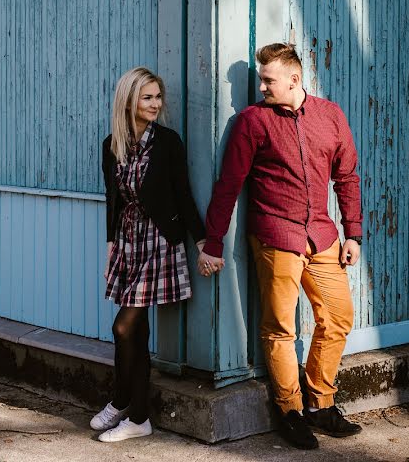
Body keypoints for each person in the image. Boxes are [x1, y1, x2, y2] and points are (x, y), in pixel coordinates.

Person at [198, 42, 364, 450]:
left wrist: (354, 233)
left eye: (269, 80)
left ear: (294, 79)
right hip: (276, 236)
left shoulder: (331, 116)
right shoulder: (252, 122)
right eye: (260, 79)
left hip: (323, 234)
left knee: (339, 316)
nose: (262, 87)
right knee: (280, 329)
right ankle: (290, 411)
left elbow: (347, 177)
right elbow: (229, 185)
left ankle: (321, 403)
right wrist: (213, 242)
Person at [91, 67, 207, 442]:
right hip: (128, 241)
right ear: (129, 101)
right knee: (134, 332)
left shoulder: (168, 142)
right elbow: (113, 199)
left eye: (158, 97)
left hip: (158, 241)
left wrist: (204, 241)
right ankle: (130, 407)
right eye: (148, 97)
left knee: (122, 326)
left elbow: (183, 194)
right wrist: (111, 242)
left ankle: (130, 408)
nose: (156, 104)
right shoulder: (113, 144)